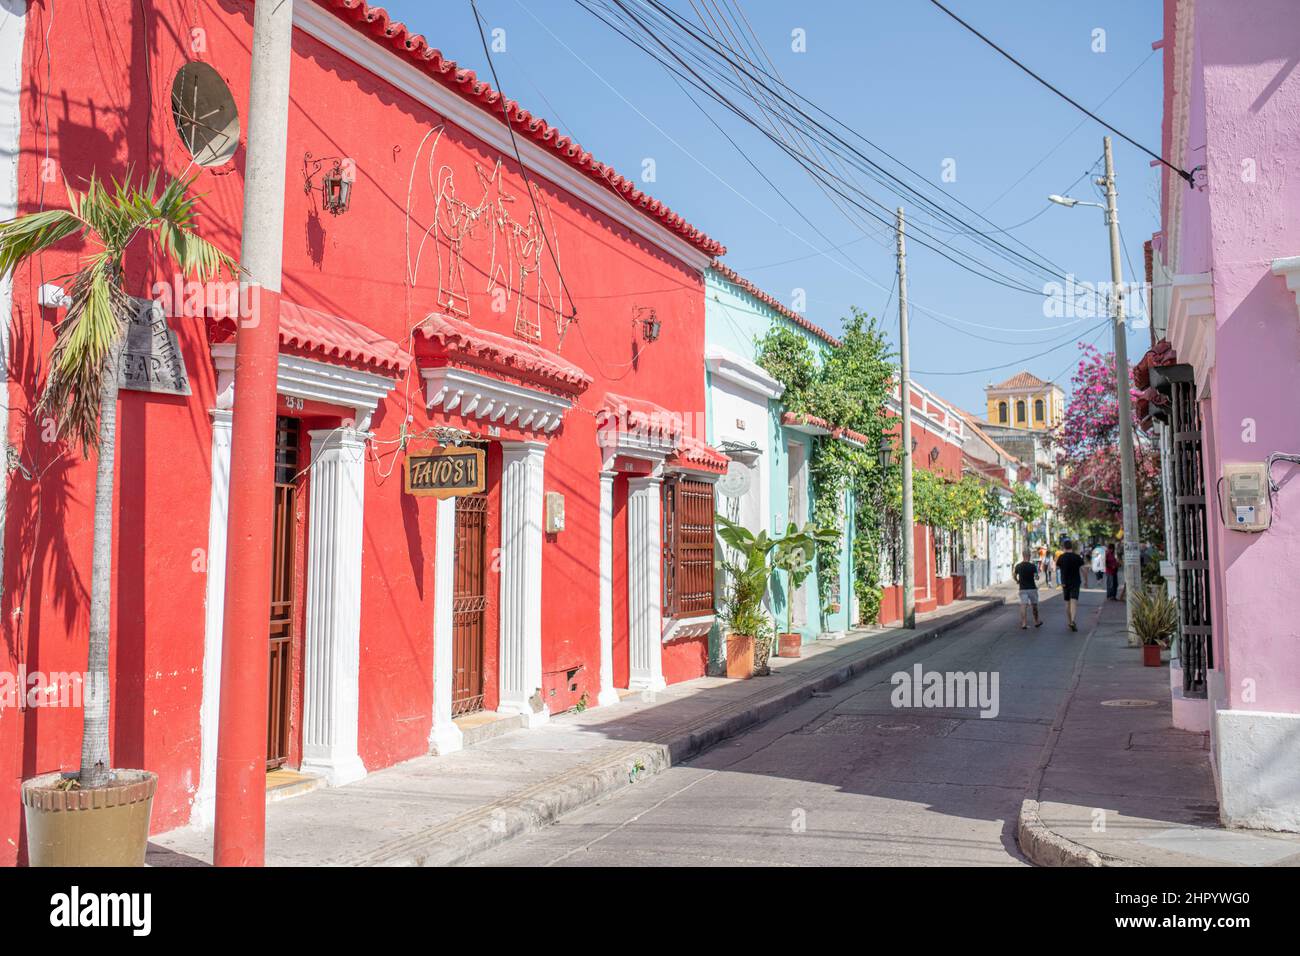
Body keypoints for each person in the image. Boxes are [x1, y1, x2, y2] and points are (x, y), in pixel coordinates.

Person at [1056, 539, 1086, 631]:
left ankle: (1069, 622)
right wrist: (1086, 580)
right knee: (1074, 602)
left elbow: (1057, 568)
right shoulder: (1077, 557)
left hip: (1065, 582)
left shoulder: (1061, 557)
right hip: (1075, 582)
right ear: (1071, 547)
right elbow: (1083, 569)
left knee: (1067, 603)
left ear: (1064, 547)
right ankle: (1073, 621)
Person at [1014, 548, 1043, 630]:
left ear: (1023, 556)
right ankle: (1037, 622)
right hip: (1032, 589)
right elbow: (1036, 577)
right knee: (1034, 606)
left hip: (1022, 589)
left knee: (1023, 605)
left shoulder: (1018, 566)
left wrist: (1017, 581)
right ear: (1029, 556)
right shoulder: (1032, 566)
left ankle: (1024, 623)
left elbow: (1014, 575)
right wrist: (1036, 576)